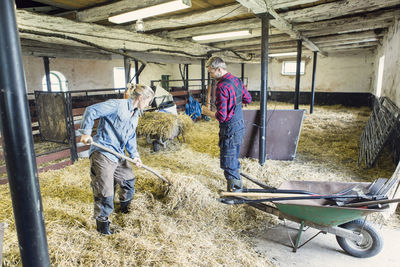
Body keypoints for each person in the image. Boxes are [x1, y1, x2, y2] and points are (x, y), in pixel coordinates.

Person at [79, 84, 154, 235]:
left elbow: (131, 137)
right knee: (105, 191)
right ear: (141, 98)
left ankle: (125, 209)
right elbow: (91, 110)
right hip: (103, 152)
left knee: (128, 180)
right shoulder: (117, 105)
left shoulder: (136, 114)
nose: (148, 105)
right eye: (148, 101)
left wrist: (135, 155)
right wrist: (86, 132)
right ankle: (103, 225)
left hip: (118, 153)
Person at [206, 56, 252, 192]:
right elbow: (248, 99)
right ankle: (237, 184)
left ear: (219, 69)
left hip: (230, 128)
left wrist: (207, 112)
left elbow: (222, 116)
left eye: (211, 72)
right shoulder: (236, 80)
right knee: (233, 157)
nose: (210, 75)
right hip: (239, 125)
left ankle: (235, 192)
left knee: (228, 161)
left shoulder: (221, 87)